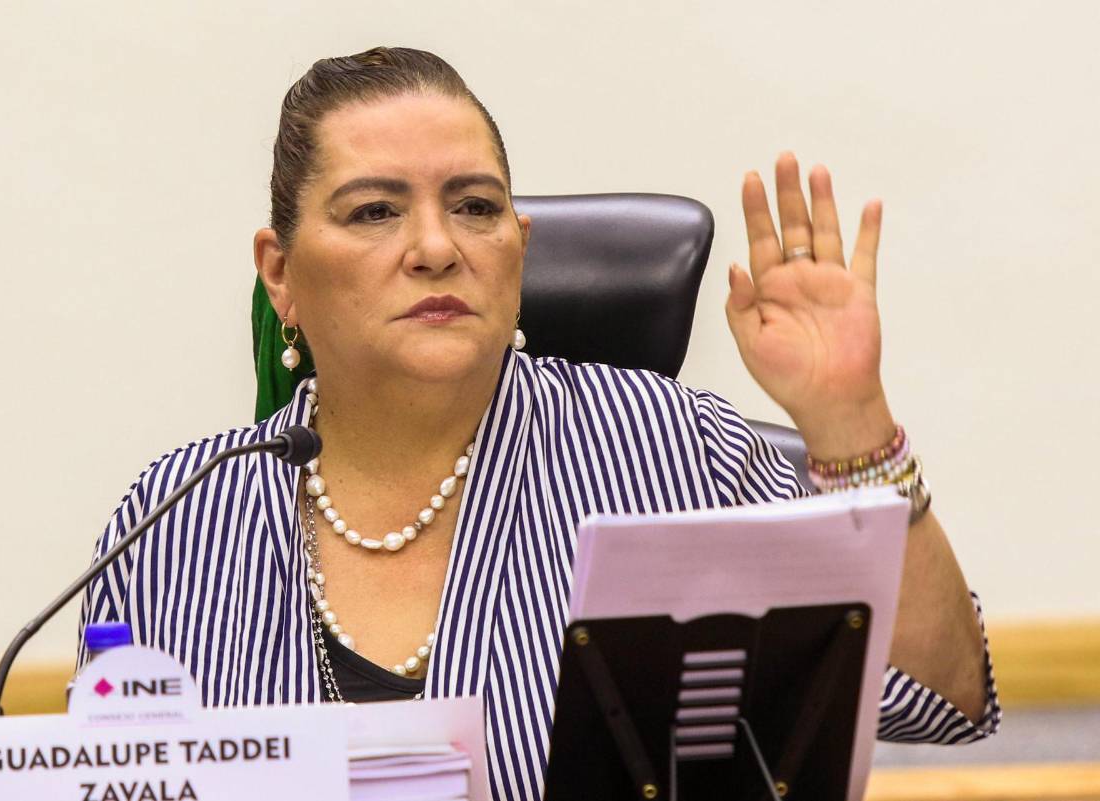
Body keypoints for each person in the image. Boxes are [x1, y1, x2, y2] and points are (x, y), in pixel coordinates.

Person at [79, 47, 999, 800]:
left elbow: (942, 698)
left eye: (475, 207)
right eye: (375, 211)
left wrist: (851, 420)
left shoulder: (672, 452)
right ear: (280, 272)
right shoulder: (173, 521)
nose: (436, 246)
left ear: (518, 248)